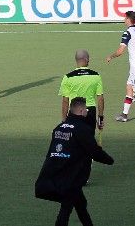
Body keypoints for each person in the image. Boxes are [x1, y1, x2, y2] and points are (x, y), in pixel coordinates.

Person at [35, 97, 114, 226]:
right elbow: (94, 152)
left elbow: (52, 151)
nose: (87, 112)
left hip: (53, 173)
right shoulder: (82, 129)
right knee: (66, 208)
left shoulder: (59, 128)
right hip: (70, 176)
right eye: (86, 110)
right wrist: (110, 160)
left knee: (81, 204)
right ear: (81, 110)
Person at [59, 51, 105, 133]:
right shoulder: (96, 75)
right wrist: (100, 117)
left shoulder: (68, 77)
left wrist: (64, 120)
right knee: (89, 138)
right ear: (87, 59)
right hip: (90, 111)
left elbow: (65, 101)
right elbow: (100, 99)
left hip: (74, 111)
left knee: (74, 138)